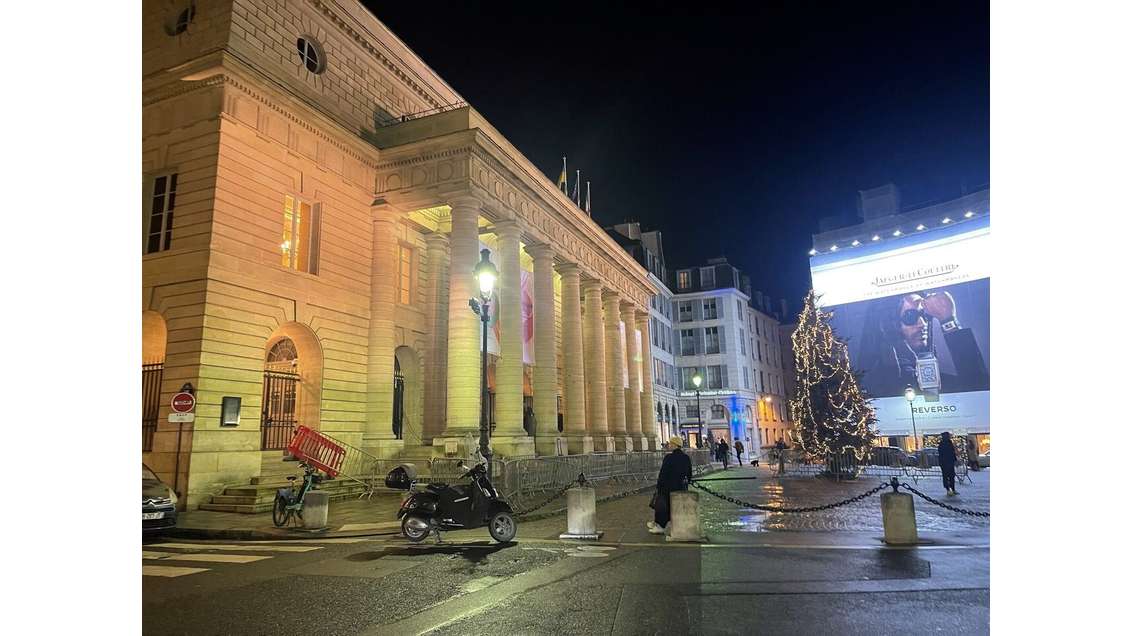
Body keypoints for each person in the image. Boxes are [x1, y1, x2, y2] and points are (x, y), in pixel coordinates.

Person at [857, 290, 989, 398]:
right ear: (887, 326)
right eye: (910, 316)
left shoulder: (926, 378)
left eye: (924, 315)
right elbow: (977, 388)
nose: (923, 323)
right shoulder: (881, 382)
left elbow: (978, 391)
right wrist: (949, 321)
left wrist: (948, 321)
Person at [648, 436, 693, 535]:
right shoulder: (686, 457)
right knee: (677, 507)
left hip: (667, 487)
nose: (668, 445)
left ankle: (660, 526)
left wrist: (659, 485)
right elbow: (689, 473)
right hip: (680, 486)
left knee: (662, 506)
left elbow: (663, 473)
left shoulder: (669, 457)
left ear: (674, 445)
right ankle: (663, 524)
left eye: (670, 443)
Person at [938, 431, 958, 495]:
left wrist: (954, 460)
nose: (949, 437)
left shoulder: (949, 442)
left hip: (950, 462)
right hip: (945, 463)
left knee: (952, 476)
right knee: (946, 476)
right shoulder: (942, 443)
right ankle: (948, 489)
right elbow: (941, 454)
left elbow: (952, 452)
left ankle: (953, 489)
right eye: (948, 436)